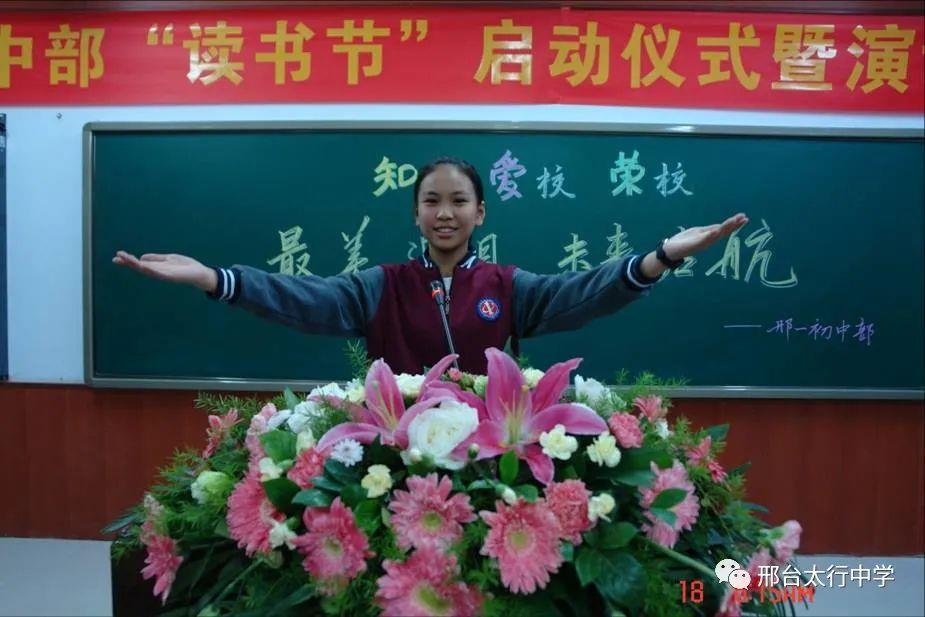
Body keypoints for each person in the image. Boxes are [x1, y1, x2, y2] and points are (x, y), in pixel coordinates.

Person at [113, 156, 748, 374]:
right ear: (416, 215)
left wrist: (661, 257)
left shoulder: (509, 287)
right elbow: (304, 299)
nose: (445, 213)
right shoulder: (380, 286)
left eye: (459, 201)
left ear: (480, 213)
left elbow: (584, 292)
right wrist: (213, 279)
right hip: (394, 455)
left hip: (490, 457)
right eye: (431, 202)